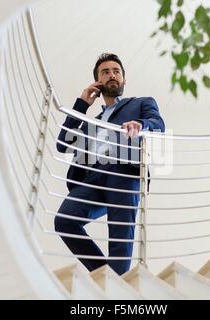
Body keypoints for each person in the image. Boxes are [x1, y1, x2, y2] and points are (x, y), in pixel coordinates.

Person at [54, 53, 165, 275]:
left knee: (120, 235)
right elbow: (62, 144)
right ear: (98, 82)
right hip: (91, 178)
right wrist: (82, 103)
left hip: (123, 170)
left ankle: (114, 290)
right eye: (105, 72)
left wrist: (140, 124)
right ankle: (108, 277)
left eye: (116, 71)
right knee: (65, 220)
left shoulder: (141, 103)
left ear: (124, 79)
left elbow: (158, 123)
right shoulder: (90, 121)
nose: (111, 75)